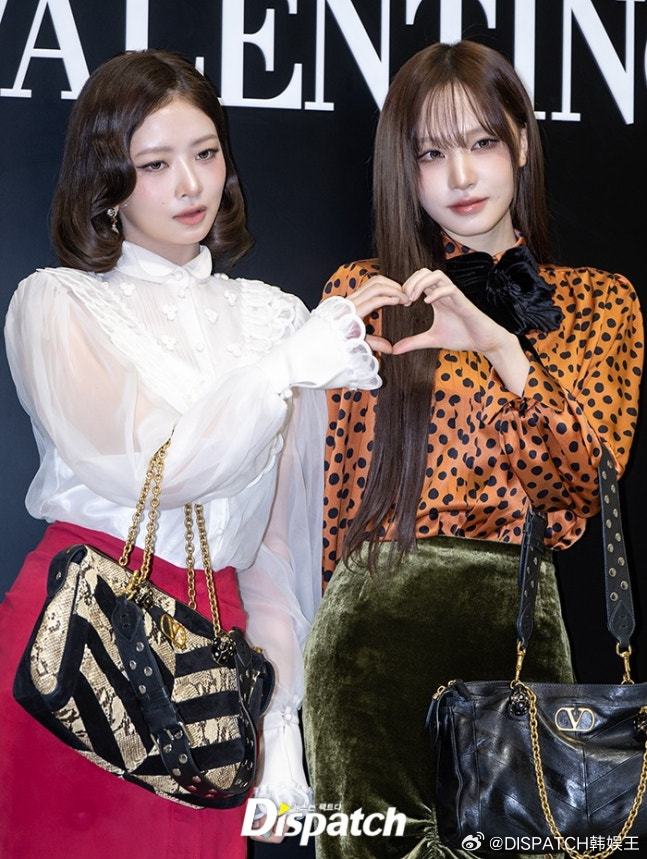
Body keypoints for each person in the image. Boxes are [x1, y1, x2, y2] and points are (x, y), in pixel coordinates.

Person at [0, 49, 402, 859]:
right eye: (155, 164)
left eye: (206, 152)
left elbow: (277, 547)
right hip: (79, 638)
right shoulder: (57, 303)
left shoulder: (274, 319)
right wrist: (285, 368)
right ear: (107, 179)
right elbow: (158, 468)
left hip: (214, 656)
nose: (190, 184)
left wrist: (280, 724)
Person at [303, 40, 644, 858]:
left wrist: (498, 345)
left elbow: (582, 486)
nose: (459, 175)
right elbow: (331, 498)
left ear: (520, 141)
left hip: (517, 629)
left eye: (481, 141)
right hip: (368, 640)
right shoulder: (364, 292)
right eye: (431, 152)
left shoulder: (599, 303)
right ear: (405, 166)